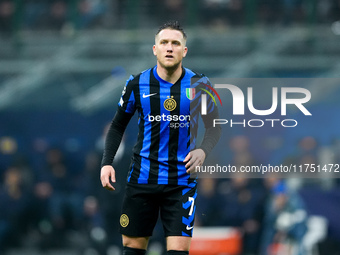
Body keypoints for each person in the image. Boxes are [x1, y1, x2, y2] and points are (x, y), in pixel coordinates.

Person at [100, 21, 221, 255]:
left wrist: (203, 150)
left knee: (178, 251)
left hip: (181, 182)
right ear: (154, 49)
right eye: (164, 42)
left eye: (175, 43)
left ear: (184, 50)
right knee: (132, 249)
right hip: (142, 179)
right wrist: (107, 162)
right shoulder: (136, 84)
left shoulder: (201, 84)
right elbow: (117, 126)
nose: (169, 47)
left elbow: (215, 127)